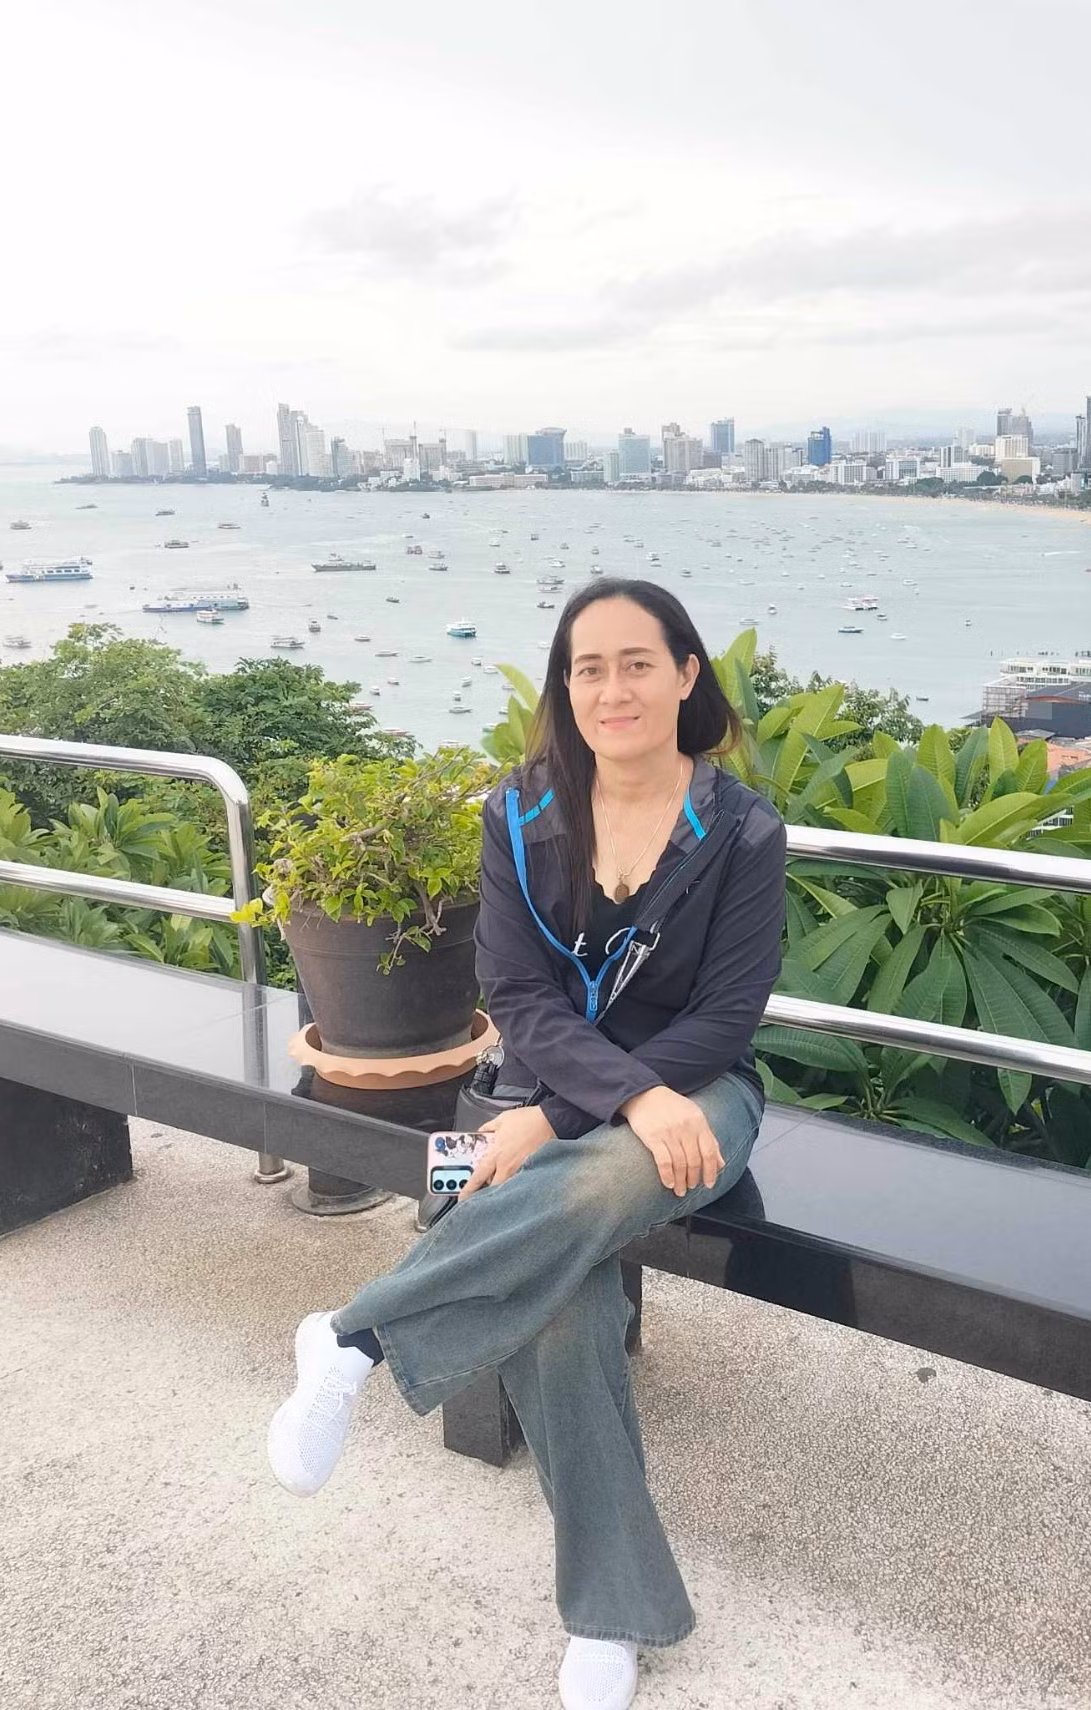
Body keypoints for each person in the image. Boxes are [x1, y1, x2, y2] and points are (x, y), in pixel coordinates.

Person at [267, 578, 788, 1710]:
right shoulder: (521, 811)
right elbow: (513, 992)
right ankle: (612, 1613)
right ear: (566, 686)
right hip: (526, 1095)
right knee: (558, 1296)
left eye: (637, 663)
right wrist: (570, 1105)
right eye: (587, 668)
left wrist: (601, 1107)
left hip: (698, 1098)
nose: (612, 689)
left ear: (685, 674)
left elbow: (727, 1015)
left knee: (597, 1181)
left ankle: (355, 1339)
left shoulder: (742, 829)